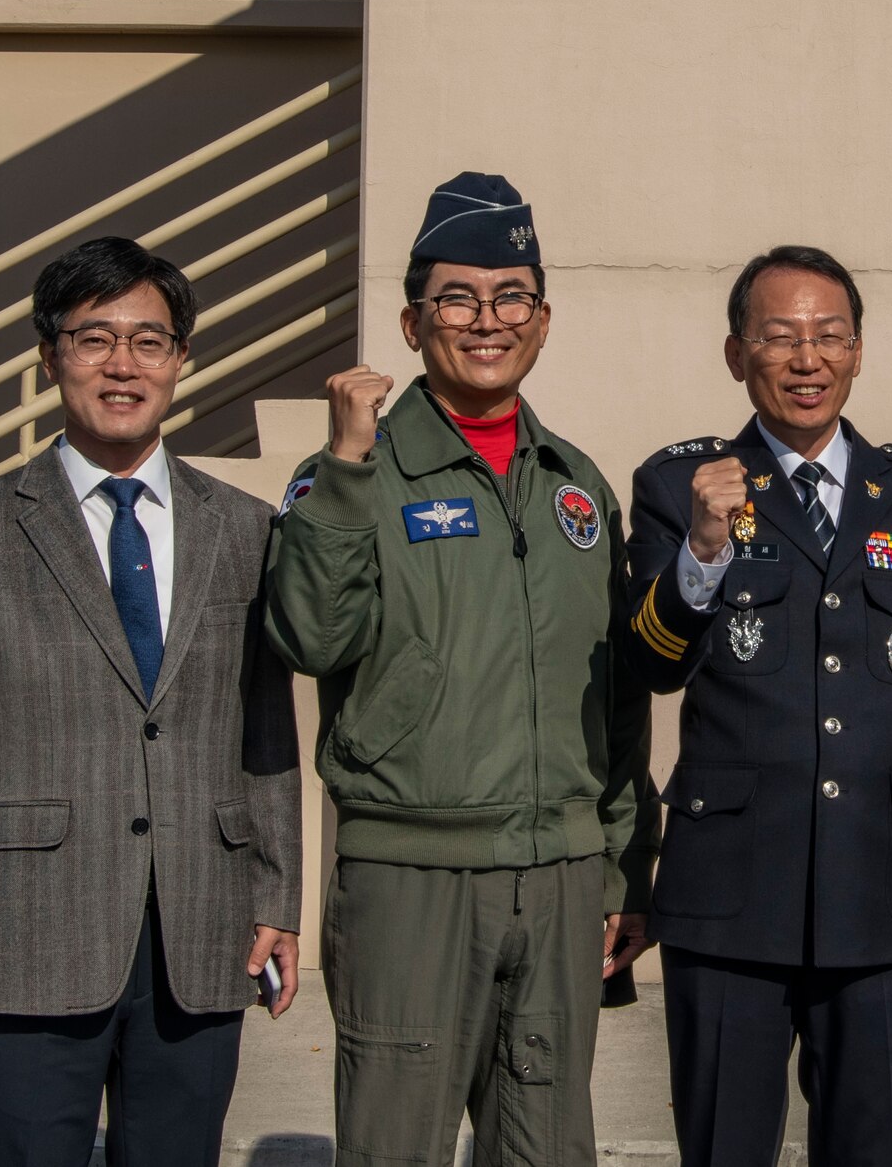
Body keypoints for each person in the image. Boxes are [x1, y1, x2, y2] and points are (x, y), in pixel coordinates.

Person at [0, 236, 303, 1167]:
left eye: (149, 341)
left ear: (181, 359)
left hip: (200, 923)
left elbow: (266, 725)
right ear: (50, 355)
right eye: (93, 337)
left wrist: (278, 895)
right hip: (35, 922)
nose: (122, 364)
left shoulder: (243, 526)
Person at [262, 172, 655, 1167]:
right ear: (410, 320)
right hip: (412, 877)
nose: (487, 320)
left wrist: (613, 859)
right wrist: (347, 472)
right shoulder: (352, 475)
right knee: (395, 1147)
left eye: (510, 295)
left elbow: (612, 695)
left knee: (547, 1148)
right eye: (456, 298)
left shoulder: (575, 486)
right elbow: (308, 636)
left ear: (542, 317)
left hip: (560, 880)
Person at [622, 244, 892, 1167]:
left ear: (859, 351)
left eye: (829, 336)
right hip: (729, 897)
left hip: (882, 896)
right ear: (736, 354)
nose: (806, 358)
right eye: (779, 337)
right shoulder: (680, 485)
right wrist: (701, 554)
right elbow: (650, 661)